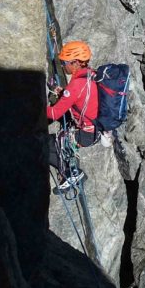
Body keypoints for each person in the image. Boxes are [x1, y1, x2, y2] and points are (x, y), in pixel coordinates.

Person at [47, 40, 99, 190]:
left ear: (76, 62)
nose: (63, 65)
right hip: (95, 129)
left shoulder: (76, 85)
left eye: (64, 62)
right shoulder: (92, 74)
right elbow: (85, 99)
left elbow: (54, 113)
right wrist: (64, 94)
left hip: (85, 134)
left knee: (43, 144)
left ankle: (72, 174)